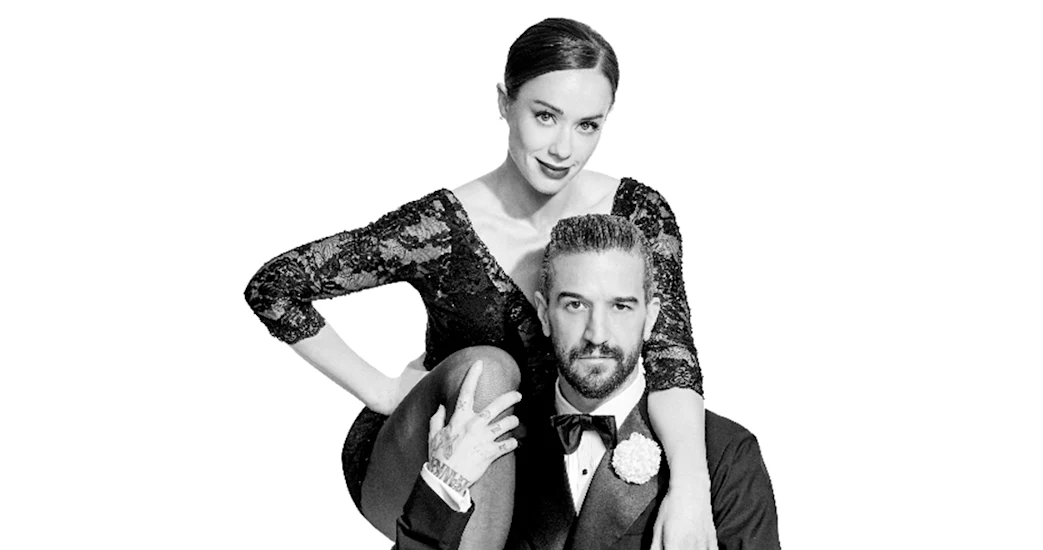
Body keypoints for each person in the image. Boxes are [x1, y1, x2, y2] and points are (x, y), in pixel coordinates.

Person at [244, 18, 716, 549]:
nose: (563, 148)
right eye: (545, 116)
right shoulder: (442, 228)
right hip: (433, 458)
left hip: (550, 468)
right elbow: (274, 287)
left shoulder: (634, 215)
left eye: (587, 125)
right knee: (490, 372)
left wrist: (692, 489)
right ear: (504, 103)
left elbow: (672, 359)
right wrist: (381, 391)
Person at [394, 214, 780, 550]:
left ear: (650, 318)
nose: (597, 334)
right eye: (575, 305)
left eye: (620, 306)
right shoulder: (490, 443)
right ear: (544, 314)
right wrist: (443, 484)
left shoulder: (723, 454)